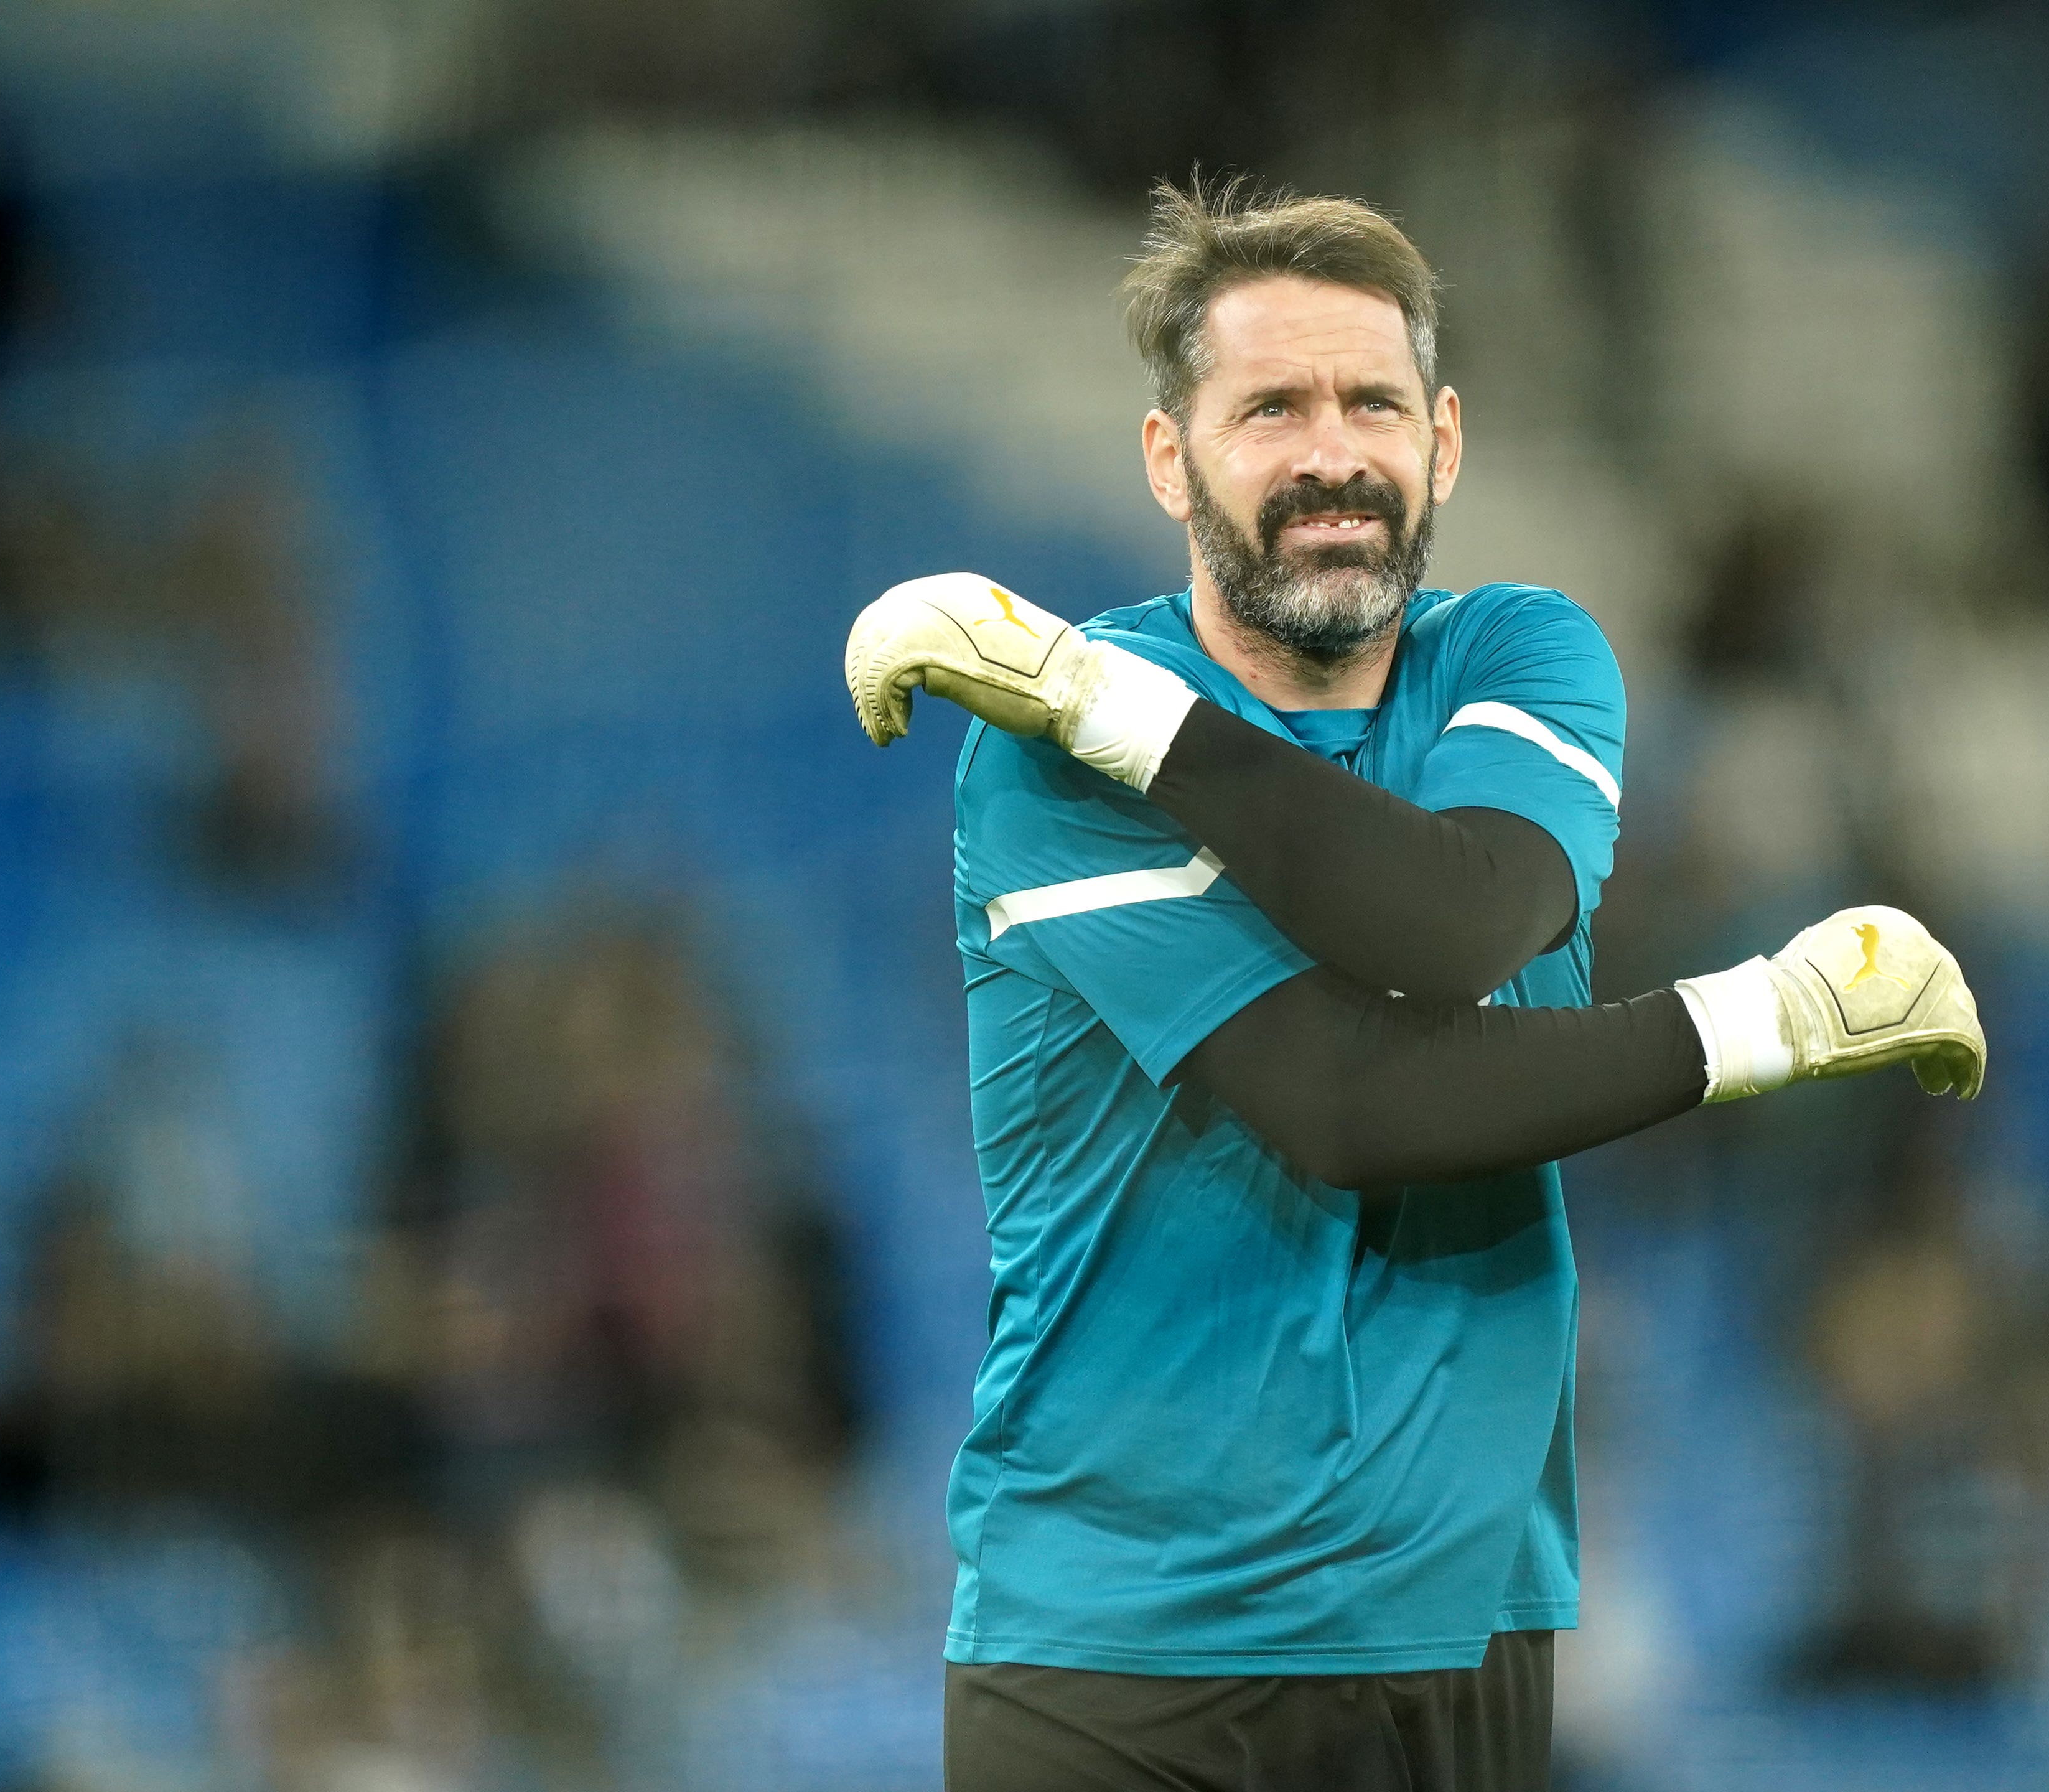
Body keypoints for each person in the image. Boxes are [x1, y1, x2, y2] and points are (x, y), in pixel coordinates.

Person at [842, 179, 1987, 1792]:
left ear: (1442, 443)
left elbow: (1455, 922)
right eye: (1270, 409)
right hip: (1131, 1650)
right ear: (1170, 457)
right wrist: (1771, 1019)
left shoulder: (1521, 659)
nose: (1331, 456)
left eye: (1371, 401)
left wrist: (1120, 716)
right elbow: (1343, 1102)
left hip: (1463, 1637)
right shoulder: (1041, 756)